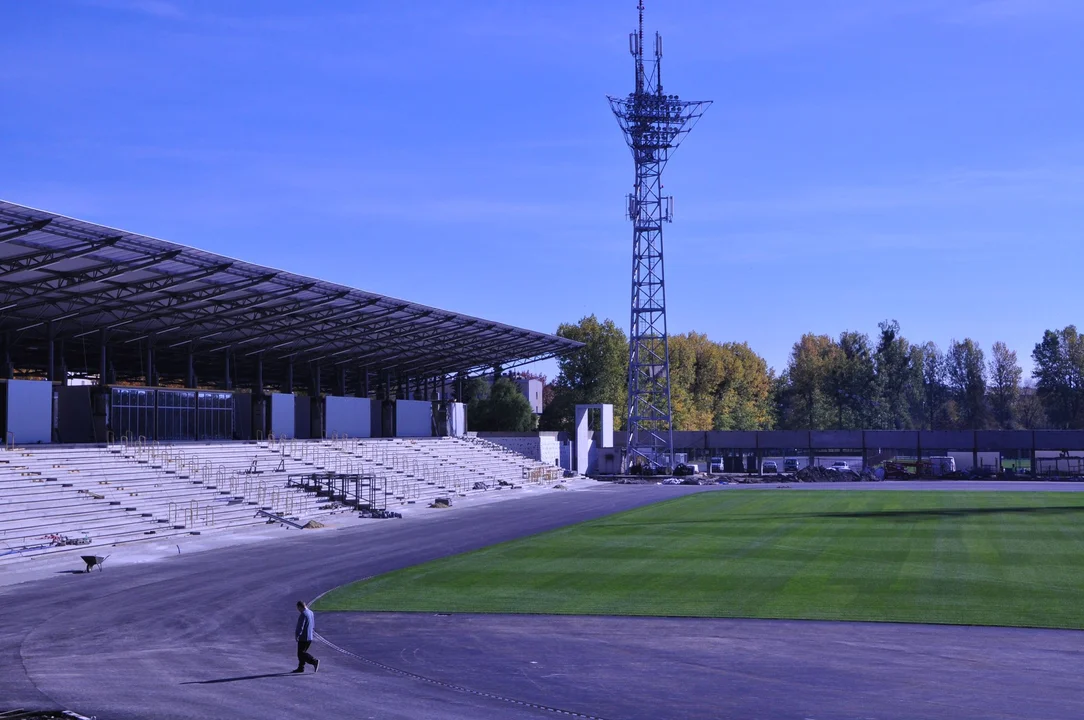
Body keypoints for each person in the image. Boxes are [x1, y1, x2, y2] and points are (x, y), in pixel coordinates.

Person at [293, 601, 320, 673]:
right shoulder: (311, 612)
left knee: (301, 653)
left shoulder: (303, 614)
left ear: (300, 607)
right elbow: (313, 624)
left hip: (303, 637)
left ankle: (314, 661)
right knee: (302, 652)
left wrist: (297, 635)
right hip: (309, 636)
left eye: (298, 608)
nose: (298, 610)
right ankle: (301, 668)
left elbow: (300, 627)